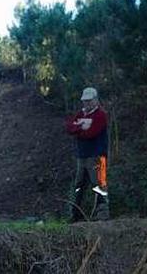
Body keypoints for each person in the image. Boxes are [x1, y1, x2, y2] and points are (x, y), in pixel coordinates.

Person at [65, 86, 109, 222]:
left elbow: (91, 133)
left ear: (96, 100)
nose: (87, 103)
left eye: (89, 101)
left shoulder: (101, 115)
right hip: (82, 156)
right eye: (85, 101)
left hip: (98, 156)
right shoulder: (81, 114)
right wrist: (80, 127)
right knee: (78, 185)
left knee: (100, 184)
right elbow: (69, 127)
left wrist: (78, 128)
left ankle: (102, 214)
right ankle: (75, 214)